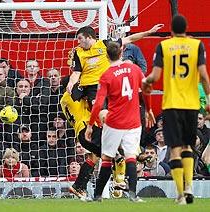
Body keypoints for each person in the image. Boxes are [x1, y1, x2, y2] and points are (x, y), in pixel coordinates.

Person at [142, 15, 210, 205]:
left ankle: (181, 194)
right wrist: (209, 100)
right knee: (188, 147)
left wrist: (146, 83)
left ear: (171, 30)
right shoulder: (197, 45)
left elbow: (154, 76)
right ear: (186, 28)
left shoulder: (164, 46)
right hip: (191, 105)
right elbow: (204, 75)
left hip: (172, 105)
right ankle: (189, 188)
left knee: (175, 150)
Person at [85, 41, 147, 202]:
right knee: (131, 157)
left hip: (114, 123)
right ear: (122, 53)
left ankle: (97, 195)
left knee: (106, 158)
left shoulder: (106, 75)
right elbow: (147, 89)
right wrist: (149, 110)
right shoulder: (135, 69)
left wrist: (90, 125)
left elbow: (98, 104)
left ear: (106, 56)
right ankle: (133, 194)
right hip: (133, 121)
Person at [66, 24, 163, 108]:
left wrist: (149, 32)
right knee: (101, 115)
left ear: (89, 37)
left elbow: (129, 39)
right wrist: (71, 83)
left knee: (117, 112)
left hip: (110, 84)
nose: (78, 42)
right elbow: (76, 72)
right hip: (93, 87)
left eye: (80, 38)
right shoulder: (78, 52)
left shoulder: (105, 44)